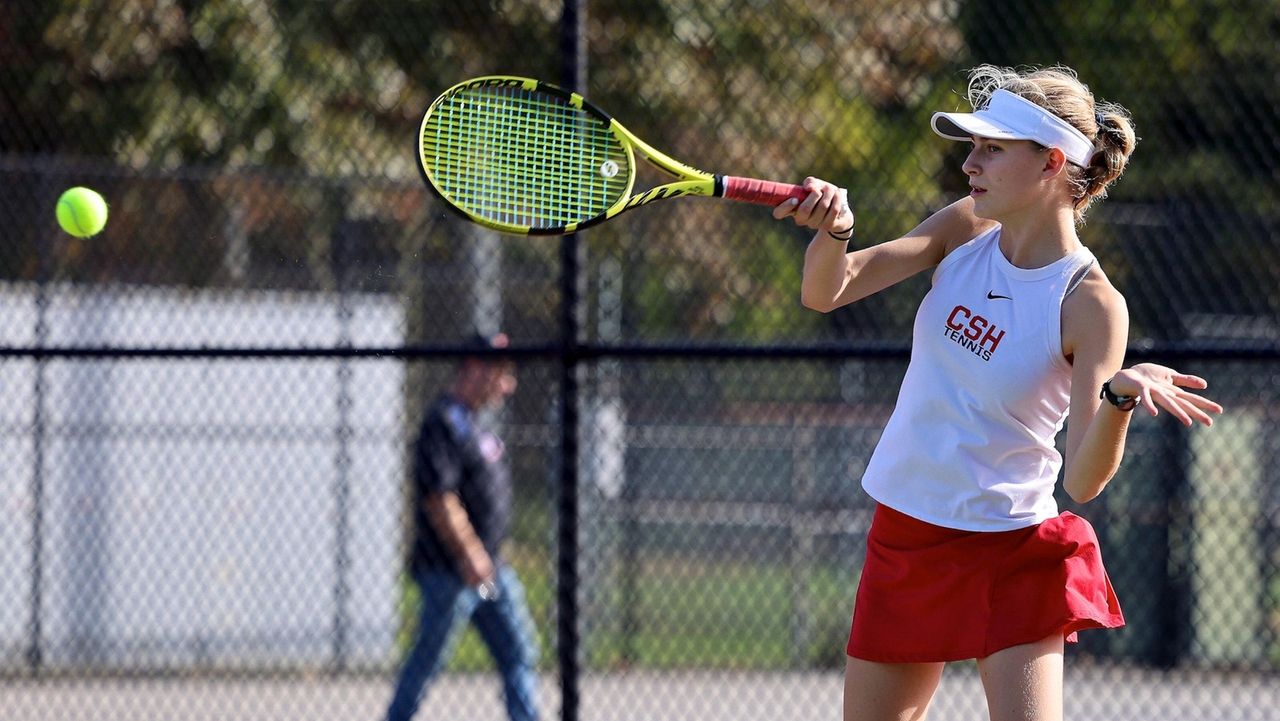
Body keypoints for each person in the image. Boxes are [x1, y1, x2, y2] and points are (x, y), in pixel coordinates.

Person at [774, 65, 1224, 721]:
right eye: (972, 147)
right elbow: (827, 291)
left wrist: (1121, 399)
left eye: (991, 148)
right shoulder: (964, 228)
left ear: (1049, 162)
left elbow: (1087, 481)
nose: (970, 166)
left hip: (1012, 550)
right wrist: (833, 231)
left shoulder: (1091, 303)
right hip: (907, 534)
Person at [386, 331, 540, 721]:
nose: (508, 385)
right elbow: (440, 496)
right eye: (500, 373)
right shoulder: (443, 422)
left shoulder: (475, 425)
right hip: (452, 571)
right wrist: (469, 551)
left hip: (490, 571)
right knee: (428, 661)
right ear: (474, 369)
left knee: (518, 650)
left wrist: (487, 554)